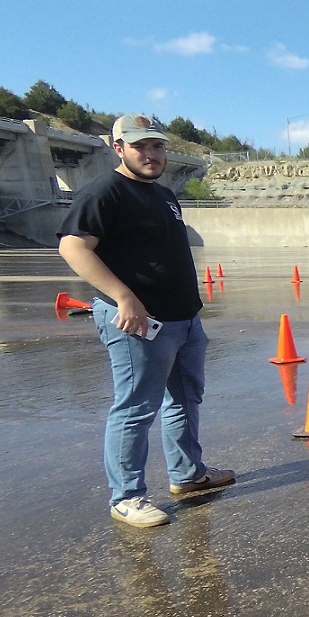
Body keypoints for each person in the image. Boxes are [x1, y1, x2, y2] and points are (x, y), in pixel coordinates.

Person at [58, 115, 235, 528]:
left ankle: (188, 474)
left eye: (157, 146)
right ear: (118, 148)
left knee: (185, 399)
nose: (151, 154)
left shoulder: (163, 195)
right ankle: (127, 497)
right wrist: (123, 297)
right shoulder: (105, 191)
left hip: (184, 321)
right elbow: (73, 247)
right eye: (140, 147)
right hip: (140, 322)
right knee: (136, 408)